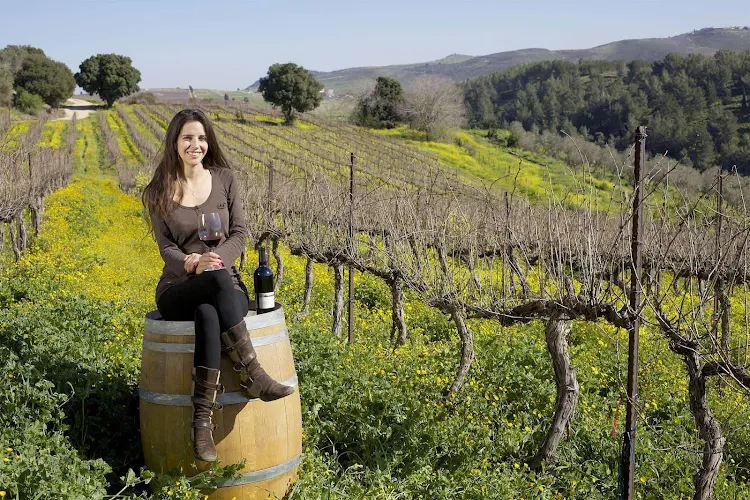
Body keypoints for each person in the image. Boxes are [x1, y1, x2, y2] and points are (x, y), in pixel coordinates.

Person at [141, 108, 293, 463]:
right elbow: (166, 248)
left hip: (226, 287)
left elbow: (239, 233)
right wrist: (193, 262)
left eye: (202, 138)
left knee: (210, 313)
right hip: (178, 289)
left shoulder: (225, 179)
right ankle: (253, 374)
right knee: (210, 286)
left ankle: (201, 423)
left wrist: (216, 259)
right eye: (188, 138)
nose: (196, 145)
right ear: (174, 143)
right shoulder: (157, 191)